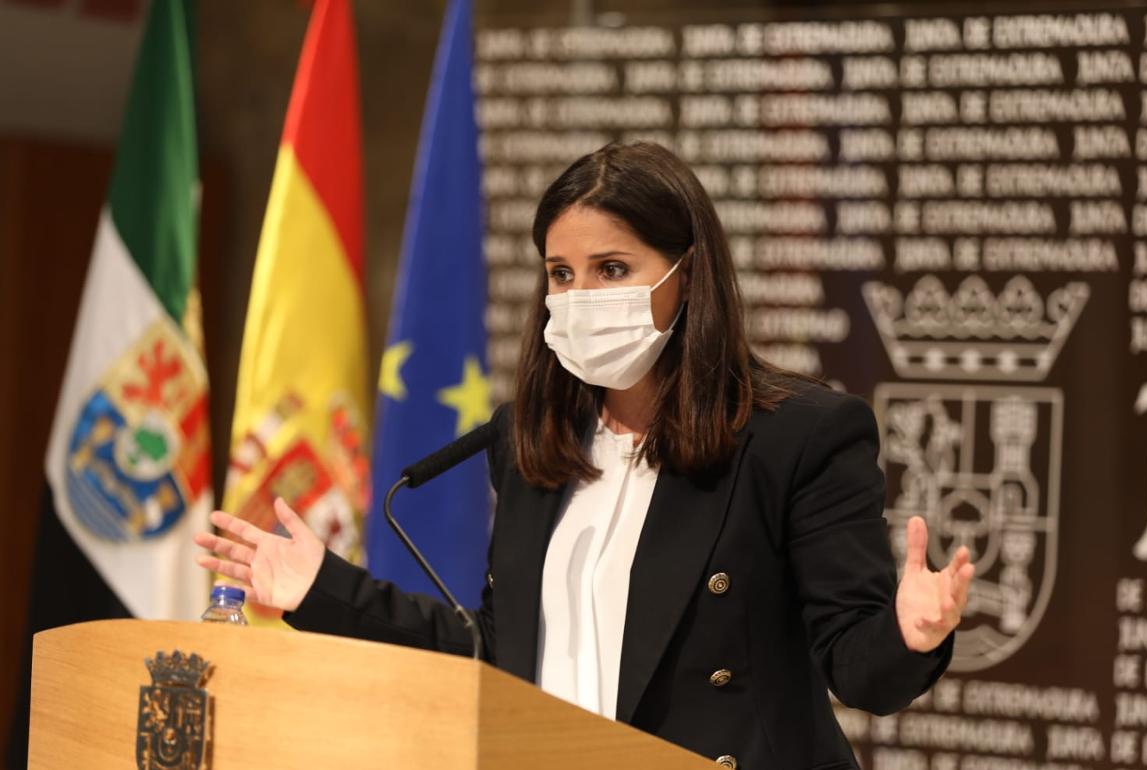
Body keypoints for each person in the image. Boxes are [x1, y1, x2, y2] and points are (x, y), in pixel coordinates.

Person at [195, 141, 973, 770]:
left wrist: (910, 635)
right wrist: (320, 588)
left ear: (687, 274)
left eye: (612, 270)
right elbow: (498, 657)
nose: (579, 298)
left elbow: (858, 670)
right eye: (561, 275)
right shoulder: (535, 439)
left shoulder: (798, 434)